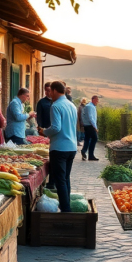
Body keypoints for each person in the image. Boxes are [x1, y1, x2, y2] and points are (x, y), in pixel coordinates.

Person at [39, 81, 78, 212]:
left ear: (55, 90)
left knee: (60, 180)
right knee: (66, 178)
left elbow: (56, 127)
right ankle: (65, 205)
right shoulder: (72, 105)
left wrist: (44, 131)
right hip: (72, 147)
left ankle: (66, 210)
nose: (49, 94)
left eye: (50, 91)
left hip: (59, 147)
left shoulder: (55, 106)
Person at [81, 95, 100, 161]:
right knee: (94, 138)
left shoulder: (88, 106)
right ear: (94, 99)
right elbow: (91, 118)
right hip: (90, 125)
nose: (98, 102)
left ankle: (84, 151)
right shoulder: (90, 107)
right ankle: (90, 155)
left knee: (87, 139)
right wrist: (95, 127)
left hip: (87, 125)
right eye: (97, 100)